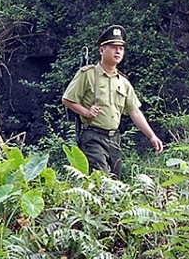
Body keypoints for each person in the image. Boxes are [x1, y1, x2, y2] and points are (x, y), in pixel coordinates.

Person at [62, 25, 164, 178]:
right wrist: (86, 112)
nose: (118, 51)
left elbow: (134, 111)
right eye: (113, 47)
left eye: (121, 48)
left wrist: (151, 136)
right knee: (101, 179)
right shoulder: (88, 74)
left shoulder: (123, 82)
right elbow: (68, 99)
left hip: (114, 139)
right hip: (93, 136)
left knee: (114, 182)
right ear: (102, 50)